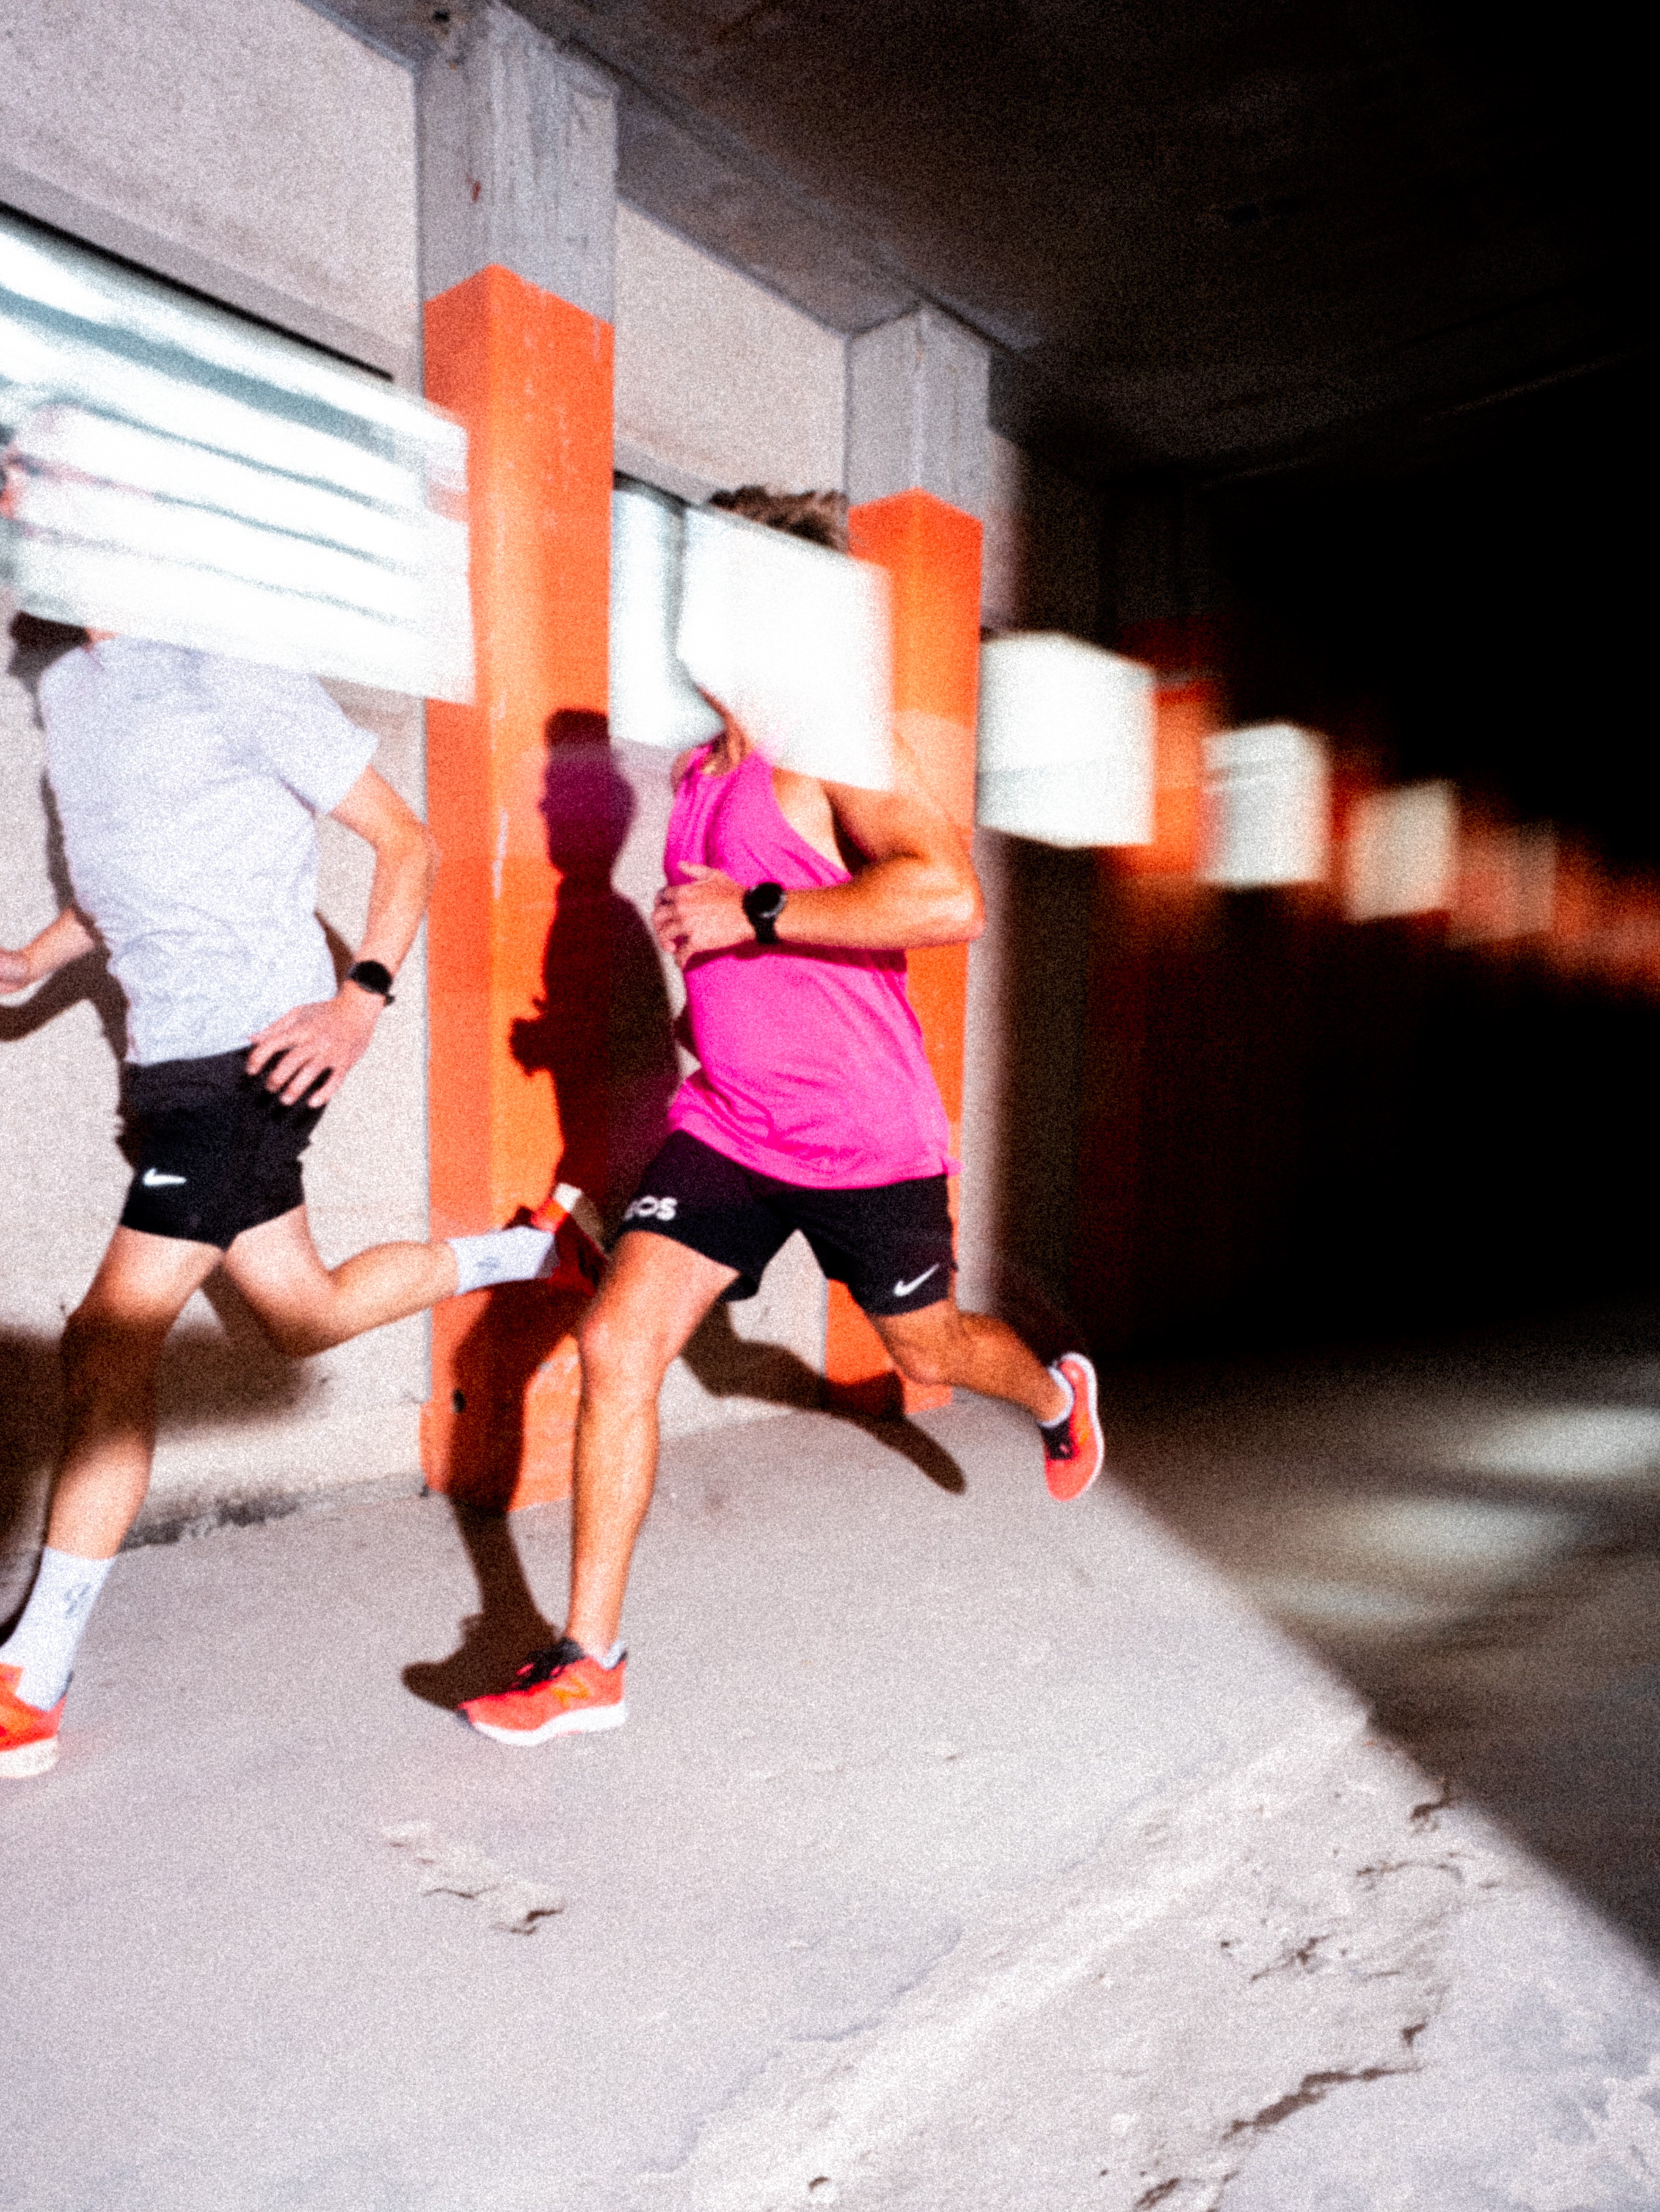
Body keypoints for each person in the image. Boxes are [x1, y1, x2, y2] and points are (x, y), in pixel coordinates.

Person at [459, 486, 1104, 1751]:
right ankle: (592, 1659)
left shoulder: (839, 750)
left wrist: (753, 912)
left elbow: (947, 899)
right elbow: (741, 961)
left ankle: (1054, 1393)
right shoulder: (701, 772)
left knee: (923, 1352)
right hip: (732, 1128)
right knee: (616, 1347)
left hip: (866, 1139)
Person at [0, 629, 565, 1777]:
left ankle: (31, 1679)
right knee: (299, 1311)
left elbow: (409, 844)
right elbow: (131, 880)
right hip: (166, 1063)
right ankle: (525, 1256)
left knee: (106, 1343)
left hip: (254, 1051)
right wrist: (35, 956)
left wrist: (359, 1002)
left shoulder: (229, 664)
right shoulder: (71, 684)